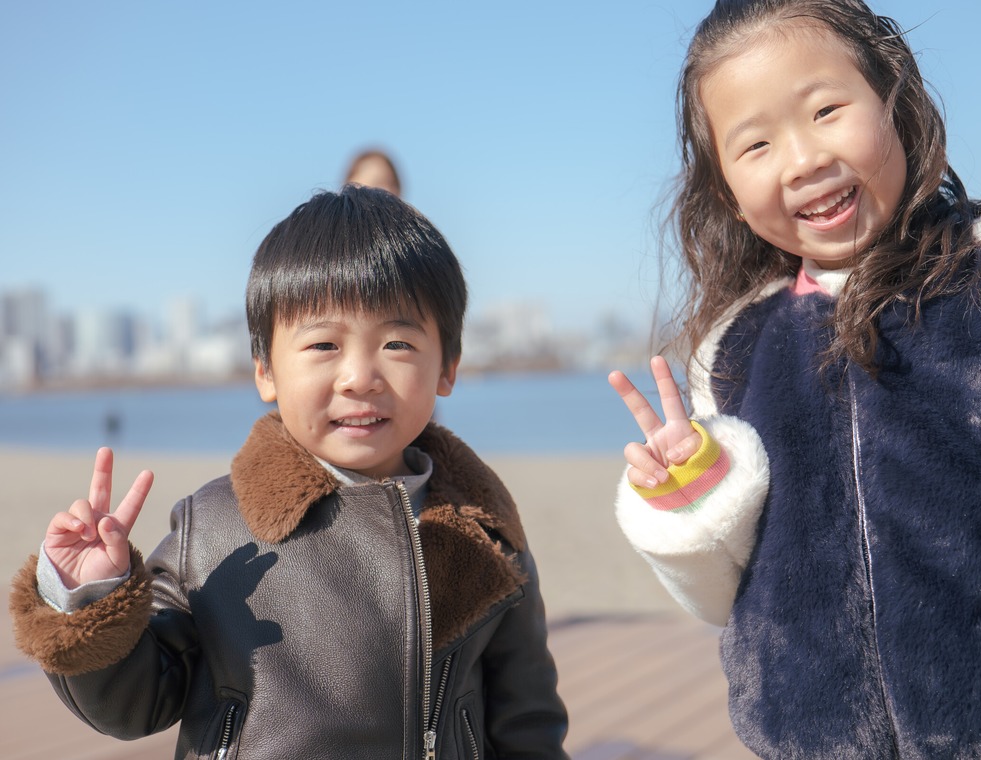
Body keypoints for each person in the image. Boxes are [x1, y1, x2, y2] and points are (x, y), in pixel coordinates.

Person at [608, 1, 981, 758]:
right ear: (724, 185)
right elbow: (722, 592)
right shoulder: (734, 348)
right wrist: (688, 497)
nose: (802, 159)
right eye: (755, 144)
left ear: (897, 98)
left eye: (826, 109)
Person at [9, 185, 568, 759]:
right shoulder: (219, 527)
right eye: (324, 344)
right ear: (265, 371)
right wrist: (91, 597)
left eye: (397, 342)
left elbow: (527, 720)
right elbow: (135, 703)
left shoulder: (483, 530)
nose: (359, 377)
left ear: (447, 366)